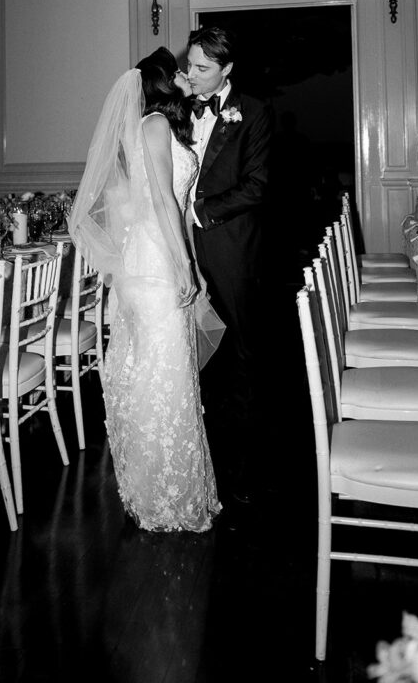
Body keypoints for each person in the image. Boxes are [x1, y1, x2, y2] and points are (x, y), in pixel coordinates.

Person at [67, 48, 223, 532]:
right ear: (160, 83)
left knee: (156, 371)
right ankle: (165, 498)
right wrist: (184, 267)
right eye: (176, 71)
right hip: (155, 262)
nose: (183, 76)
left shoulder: (154, 125)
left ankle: (157, 488)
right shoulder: (154, 125)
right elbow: (160, 202)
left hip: (149, 257)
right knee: (163, 372)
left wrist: (186, 260)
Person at [186, 26, 272, 505]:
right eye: (190, 64)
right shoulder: (180, 104)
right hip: (178, 244)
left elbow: (257, 185)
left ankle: (244, 447)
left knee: (238, 338)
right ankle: (199, 424)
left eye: (203, 68)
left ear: (227, 71)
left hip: (230, 245)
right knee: (191, 332)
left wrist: (199, 212)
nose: (192, 75)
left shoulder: (254, 112)